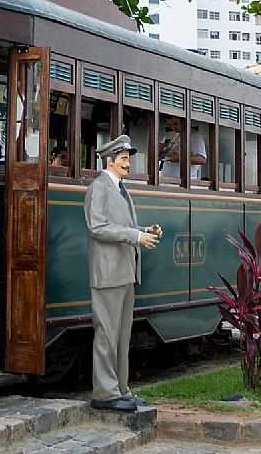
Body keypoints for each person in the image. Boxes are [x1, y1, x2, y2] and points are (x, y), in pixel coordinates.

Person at [83, 134, 161, 412]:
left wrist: (144, 231)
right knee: (107, 333)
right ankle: (105, 393)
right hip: (107, 273)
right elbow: (97, 227)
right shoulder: (99, 188)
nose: (128, 164)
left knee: (122, 334)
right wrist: (135, 236)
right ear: (110, 160)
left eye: (128, 159)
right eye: (124, 159)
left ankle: (121, 390)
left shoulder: (120, 188)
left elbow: (122, 226)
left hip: (124, 272)